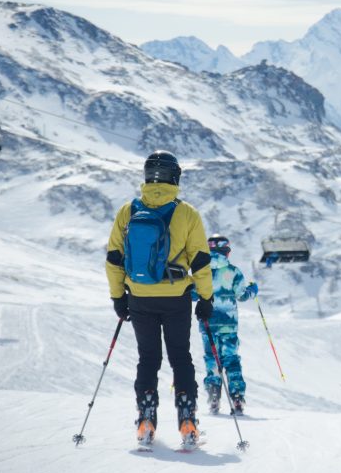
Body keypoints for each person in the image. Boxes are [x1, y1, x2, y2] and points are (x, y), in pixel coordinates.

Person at [104, 150, 214, 447]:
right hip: (176, 297)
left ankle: (146, 420)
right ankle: (188, 421)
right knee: (181, 358)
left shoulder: (128, 210)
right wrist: (206, 298)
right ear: (175, 176)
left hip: (139, 297)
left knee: (148, 359)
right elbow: (201, 261)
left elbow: (114, 258)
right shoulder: (187, 213)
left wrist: (118, 297)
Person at [192, 234, 258, 414]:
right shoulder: (233, 272)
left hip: (207, 324)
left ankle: (214, 397)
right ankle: (237, 397)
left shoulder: (201, 271)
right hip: (229, 323)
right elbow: (242, 295)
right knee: (231, 359)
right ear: (227, 253)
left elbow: (192, 294)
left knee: (212, 359)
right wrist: (253, 290)